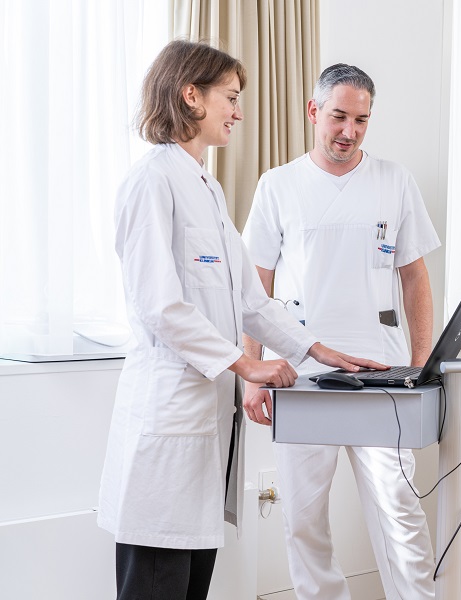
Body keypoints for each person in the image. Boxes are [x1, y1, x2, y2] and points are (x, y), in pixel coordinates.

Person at [97, 41, 386, 600]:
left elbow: (251, 303)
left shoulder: (206, 187)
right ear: (190, 95)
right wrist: (245, 365)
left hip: (202, 427)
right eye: (229, 97)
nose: (237, 111)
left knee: (190, 583)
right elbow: (160, 306)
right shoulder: (152, 182)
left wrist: (319, 351)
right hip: (168, 417)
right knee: (157, 583)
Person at [241, 63, 439, 600]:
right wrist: (252, 374)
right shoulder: (278, 185)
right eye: (338, 117)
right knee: (304, 517)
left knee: (398, 504)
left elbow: (415, 278)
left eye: (361, 119)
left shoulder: (393, 180)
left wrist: (422, 365)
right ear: (313, 112)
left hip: (383, 372)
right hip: (300, 377)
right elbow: (253, 289)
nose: (348, 131)